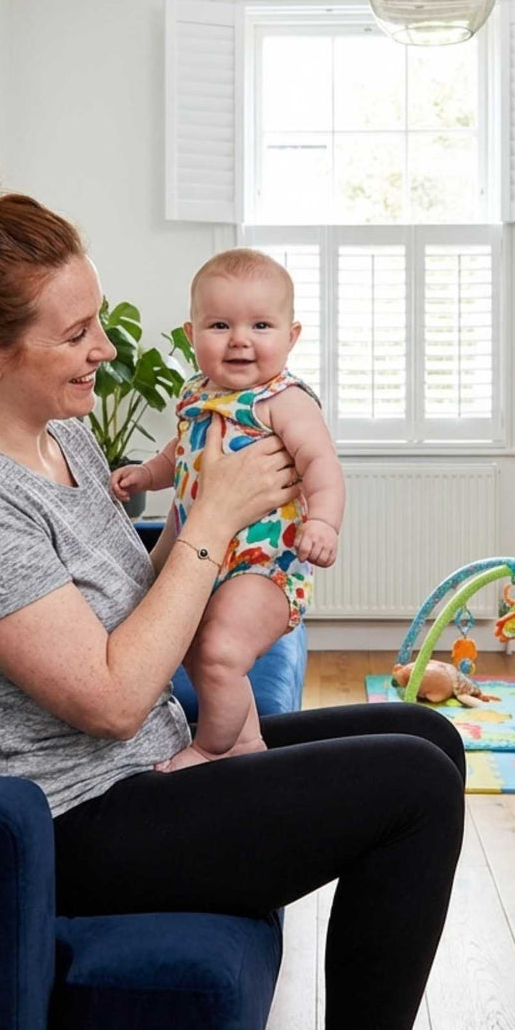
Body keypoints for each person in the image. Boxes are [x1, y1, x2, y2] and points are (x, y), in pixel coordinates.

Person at [0, 142, 464, 1030]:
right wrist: (214, 521)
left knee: (426, 732)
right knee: (412, 785)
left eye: (97, 320)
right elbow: (111, 700)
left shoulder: (62, 435)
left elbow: (135, 586)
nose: (105, 351)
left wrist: (229, 532)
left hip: (153, 756)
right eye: (75, 337)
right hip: (70, 819)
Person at [112, 249, 345, 770]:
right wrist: (148, 475)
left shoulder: (283, 401)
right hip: (204, 561)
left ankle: (209, 747)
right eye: (220, 325)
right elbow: (183, 452)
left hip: (263, 569)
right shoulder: (197, 394)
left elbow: (321, 464)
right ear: (191, 335)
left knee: (219, 652)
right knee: (195, 654)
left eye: (261, 324)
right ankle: (245, 745)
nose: (240, 339)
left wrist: (324, 522)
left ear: (292, 335)